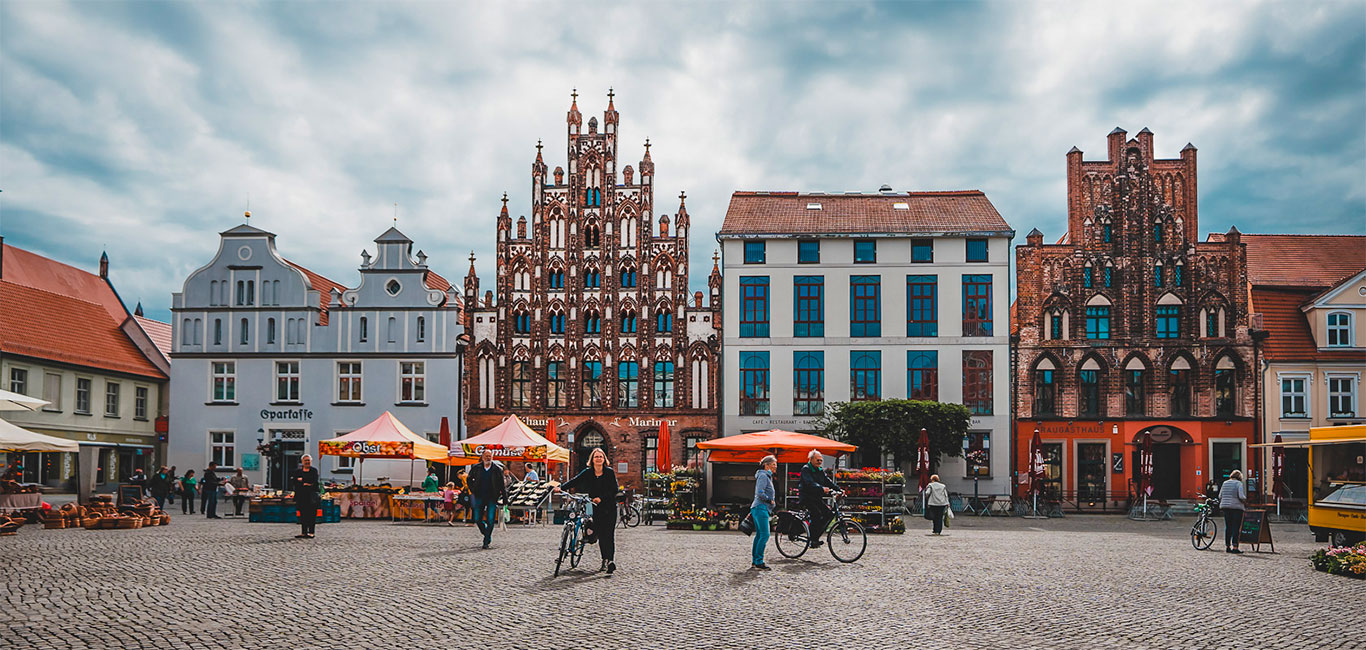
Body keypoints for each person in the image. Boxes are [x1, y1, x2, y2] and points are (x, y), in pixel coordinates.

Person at [556, 448, 620, 574]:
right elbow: (576, 480)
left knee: (609, 535)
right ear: (592, 459)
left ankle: (610, 561)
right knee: (602, 535)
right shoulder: (588, 472)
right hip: (597, 509)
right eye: (596, 457)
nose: (598, 459)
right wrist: (561, 487)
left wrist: (601, 498)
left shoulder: (609, 472)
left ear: (604, 459)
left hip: (610, 507)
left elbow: (614, 489)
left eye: (601, 457)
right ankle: (604, 559)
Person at [798, 450, 840, 548]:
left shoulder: (820, 470)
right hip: (807, 497)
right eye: (818, 460)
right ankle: (813, 538)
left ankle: (815, 536)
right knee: (816, 515)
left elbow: (827, 481)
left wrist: (839, 489)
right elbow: (809, 483)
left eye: (821, 460)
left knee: (828, 513)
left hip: (816, 498)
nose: (820, 462)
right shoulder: (806, 469)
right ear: (811, 459)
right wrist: (821, 488)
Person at [466, 450, 507, 549]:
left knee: (491, 519)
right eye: (486, 456)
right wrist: (473, 489)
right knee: (477, 518)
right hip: (479, 495)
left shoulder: (497, 469)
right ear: (483, 457)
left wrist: (504, 497)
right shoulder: (477, 468)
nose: (488, 458)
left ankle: (486, 540)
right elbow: (469, 479)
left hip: (492, 497)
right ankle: (485, 532)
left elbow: (501, 483)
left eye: (490, 456)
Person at [750, 455, 777, 570]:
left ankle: (755, 560)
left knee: (760, 535)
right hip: (761, 507)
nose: (776, 467)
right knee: (765, 535)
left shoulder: (765, 476)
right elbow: (760, 493)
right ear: (767, 465)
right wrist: (769, 500)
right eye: (774, 465)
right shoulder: (763, 476)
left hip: (760, 508)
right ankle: (759, 561)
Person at [1219, 469, 1248, 554]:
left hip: (1225, 507)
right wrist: (1245, 501)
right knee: (1236, 527)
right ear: (1239, 477)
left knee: (1228, 527)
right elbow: (1241, 496)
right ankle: (1235, 546)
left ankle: (1227, 546)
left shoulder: (1225, 483)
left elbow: (1220, 495)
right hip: (1236, 508)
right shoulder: (1239, 484)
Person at [292, 454, 321, 539]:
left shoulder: (313, 471)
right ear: (302, 462)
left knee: (311, 514)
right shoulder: (298, 471)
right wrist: (306, 482)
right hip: (301, 496)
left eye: (308, 460)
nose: (307, 462)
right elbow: (294, 482)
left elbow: (314, 481)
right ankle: (304, 532)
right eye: (305, 461)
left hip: (311, 496)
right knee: (303, 514)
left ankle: (311, 532)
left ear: (311, 461)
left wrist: (303, 480)